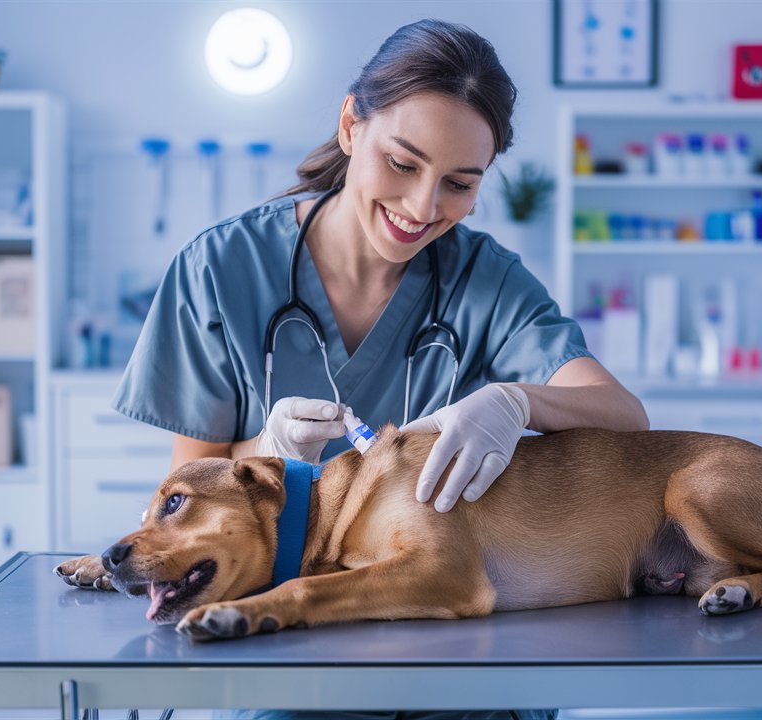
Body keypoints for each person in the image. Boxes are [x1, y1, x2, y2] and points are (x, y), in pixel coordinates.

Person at [112, 18, 648, 720]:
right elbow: (188, 496)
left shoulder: (485, 281)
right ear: (350, 126)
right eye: (402, 163)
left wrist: (517, 401)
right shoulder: (219, 269)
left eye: (459, 183)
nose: (423, 207)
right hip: (291, 664)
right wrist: (268, 450)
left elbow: (625, 419)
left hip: (460, 657)